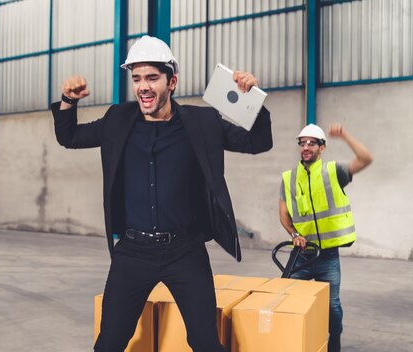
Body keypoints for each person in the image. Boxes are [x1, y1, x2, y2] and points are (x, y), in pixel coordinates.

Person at [51, 35, 272, 352]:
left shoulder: (203, 121)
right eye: (137, 78)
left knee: (205, 341)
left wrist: (254, 101)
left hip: (185, 250)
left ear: (172, 82)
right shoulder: (118, 119)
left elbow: (258, 143)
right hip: (133, 252)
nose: (142, 86)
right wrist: (68, 101)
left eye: (152, 77)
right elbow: (69, 136)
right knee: (109, 342)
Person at [278, 123, 372, 352]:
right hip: (301, 255)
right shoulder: (289, 178)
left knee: (332, 306)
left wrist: (345, 136)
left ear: (322, 147)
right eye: (302, 143)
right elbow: (284, 215)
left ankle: (335, 338)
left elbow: (365, 158)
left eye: (312, 143)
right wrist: (294, 234)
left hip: (327, 257)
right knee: (287, 299)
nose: (306, 147)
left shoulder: (334, 172)